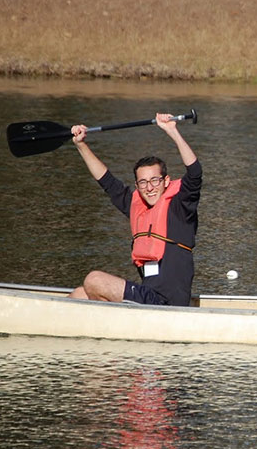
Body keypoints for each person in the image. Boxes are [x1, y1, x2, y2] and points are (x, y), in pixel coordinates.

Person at [68, 113, 202, 306]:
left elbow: (195, 173)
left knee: (94, 280)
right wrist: (81, 145)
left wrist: (172, 131)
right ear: (137, 185)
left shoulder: (180, 207)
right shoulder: (137, 208)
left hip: (167, 303)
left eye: (155, 180)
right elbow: (107, 182)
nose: (149, 187)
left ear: (166, 181)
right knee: (80, 294)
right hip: (148, 296)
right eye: (143, 182)